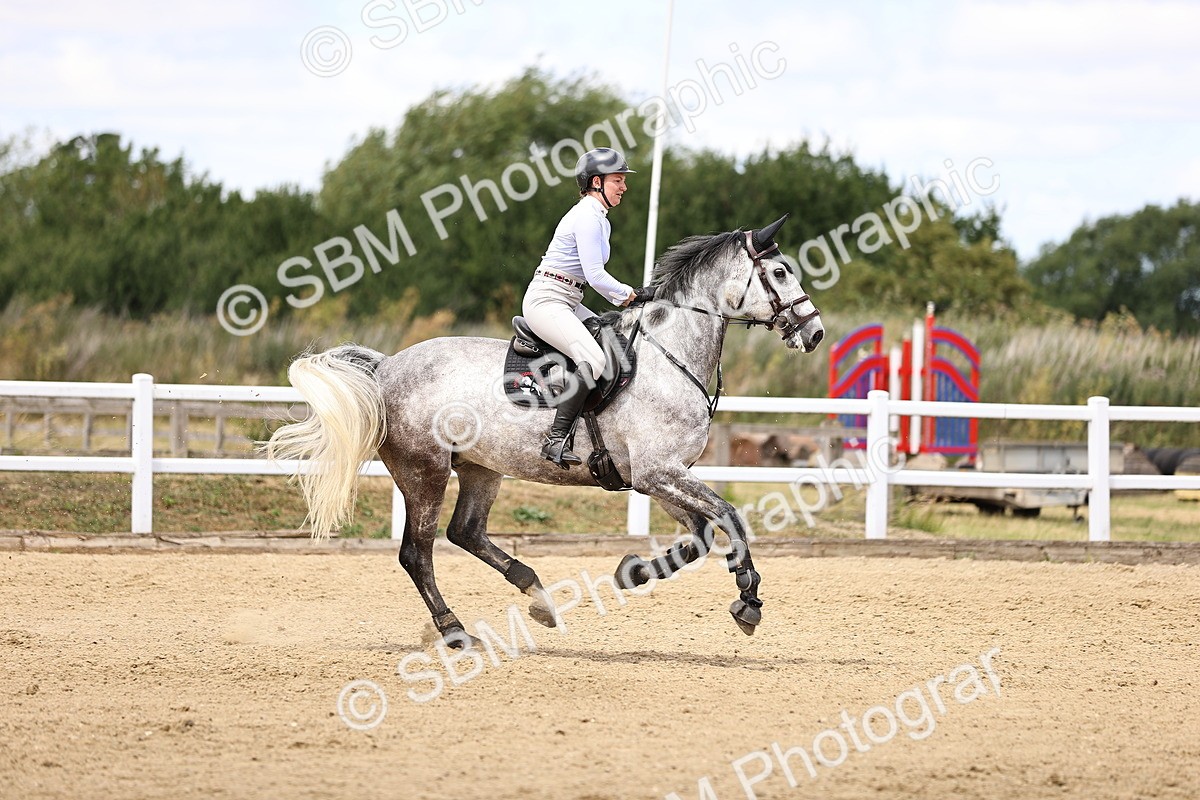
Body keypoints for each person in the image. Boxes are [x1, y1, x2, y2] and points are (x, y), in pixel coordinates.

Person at [522, 147, 638, 468]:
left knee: (613, 339)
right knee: (595, 359)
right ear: (596, 182)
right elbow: (595, 276)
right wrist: (629, 294)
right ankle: (555, 439)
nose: (624, 187)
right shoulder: (587, 215)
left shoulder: (599, 218)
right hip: (548, 299)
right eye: (618, 180)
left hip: (570, 300)